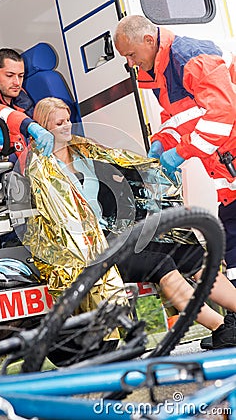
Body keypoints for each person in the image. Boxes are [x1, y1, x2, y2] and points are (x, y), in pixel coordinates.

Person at [23, 96, 236, 350]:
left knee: (187, 250)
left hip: (119, 234)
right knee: (161, 263)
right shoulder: (41, 168)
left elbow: (124, 171)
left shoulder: (85, 150)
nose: (68, 126)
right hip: (91, 248)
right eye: (60, 123)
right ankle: (222, 329)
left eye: (69, 120)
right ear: (44, 126)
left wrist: (153, 170)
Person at [113, 15, 236, 293]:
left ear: (148, 40)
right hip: (226, 167)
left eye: (131, 55)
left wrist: (179, 153)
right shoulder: (163, 70)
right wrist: (161, 143)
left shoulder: (192, 60)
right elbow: (177, 119)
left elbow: (222, 115)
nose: (130, 63)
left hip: (230, 157)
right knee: (231, 235)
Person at [0, 48, 54, 158]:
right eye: (9, 75)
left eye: (20, 76)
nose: (17, 82)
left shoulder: (23, 101)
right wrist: (28, 125)